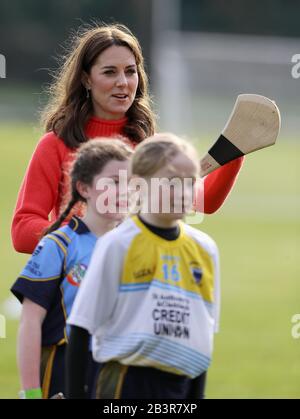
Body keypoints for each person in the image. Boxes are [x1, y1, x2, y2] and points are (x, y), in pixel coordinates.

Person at [11, 23, 244, 255]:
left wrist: (236, 145)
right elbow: (23, 230)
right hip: (76, 286)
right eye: (109, 72)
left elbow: (203, 201)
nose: (123, 82)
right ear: (86, 79)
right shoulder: (56, 144)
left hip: (138, 283)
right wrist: (87, 237)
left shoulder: (152, 147)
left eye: (130, 71)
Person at [66, 133, 220, 399]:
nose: (183, 193)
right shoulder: (118, 244)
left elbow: (202, 336)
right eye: (172, 182)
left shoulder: (205, 250)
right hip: (124, 383)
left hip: (180, 386)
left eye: (190, 183)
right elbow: (81, 327)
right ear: (138, 185)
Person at [11, 139, 132, 399]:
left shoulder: (134, 246)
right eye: (114, 182)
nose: (124, 191)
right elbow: (30, 322)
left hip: (116, 370)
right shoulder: (59, 244)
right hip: (63, 370)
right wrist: (31, 392)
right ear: (84, 188)